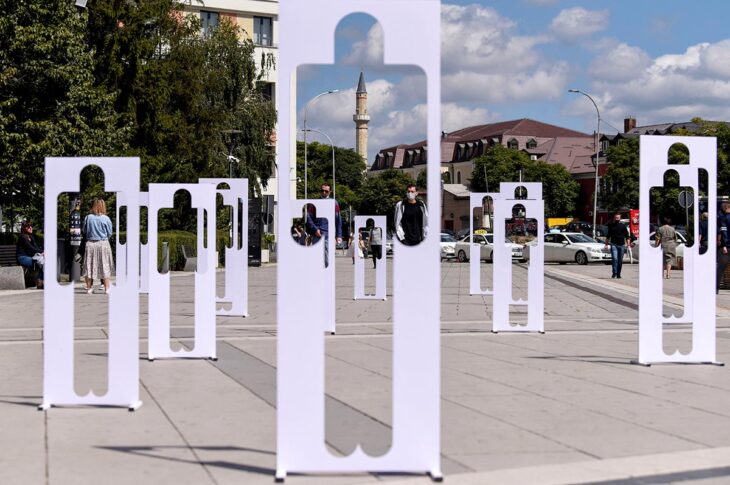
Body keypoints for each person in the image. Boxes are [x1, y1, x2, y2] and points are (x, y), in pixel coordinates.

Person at [82, 198, 115, 295]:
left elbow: (85, 230)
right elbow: (109, 233)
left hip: (90, 243)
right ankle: (107, 288)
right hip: (103, 243)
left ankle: (89, 288)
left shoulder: (88, 217)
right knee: (104, 265)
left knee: (89, 265)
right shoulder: (106, 218)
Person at [305, 182, 342, 267]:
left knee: (328, 260)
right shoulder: (314, 203)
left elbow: (338, 220)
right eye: (322, 191)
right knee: (317, 260)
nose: (324, 192)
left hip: (329, 235)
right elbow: (308, 218)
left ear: (330, 192)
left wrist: (339, 235)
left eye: (326, 191)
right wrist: (315, 229)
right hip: (317, 235)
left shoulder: (334, 203)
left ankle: (326, 278)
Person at [16, 220, 44, 289]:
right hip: (22, 257)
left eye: (31, 226)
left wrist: (42, 252)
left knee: (43, 261)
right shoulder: (22, 237)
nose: (31, 228)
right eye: (29, 227)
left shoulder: (30, 236)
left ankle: (40, 281)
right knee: (40, 262)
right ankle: (40, 282)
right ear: (25, 228)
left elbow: (35, 247)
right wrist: (42, 252)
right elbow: (30, 248)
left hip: (30, 257)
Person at [604, 212, 630, 279]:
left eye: (618, 217)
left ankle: (618, 274)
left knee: (620, 260)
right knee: (615, 259)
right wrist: (606, 244)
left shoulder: (623, 226)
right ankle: (614, 273)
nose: (617, 218)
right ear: (614, 218)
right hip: (614, 245)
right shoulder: (611, 226)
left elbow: (627, 236)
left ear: (620, 218)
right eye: (616, 217)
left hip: (621, 245)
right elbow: (608, 236)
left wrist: (628, 244)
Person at [717, 202, 730, 293]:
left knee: (721, 268)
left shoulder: (723, 218)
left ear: (725, 208)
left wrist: (724, 245)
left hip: (727, 246)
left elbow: (724, 232)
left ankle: (715, 288)